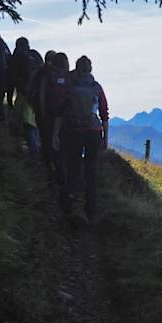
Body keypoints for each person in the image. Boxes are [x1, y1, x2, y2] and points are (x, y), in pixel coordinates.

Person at [53, 55, 109, 220]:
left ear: (76, 68)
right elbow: (104, 114)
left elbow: (60, 112)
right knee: (91, 171)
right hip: (94, 132)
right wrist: (105, 137)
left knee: (73, 169)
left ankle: (69, 206)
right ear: (90, 69)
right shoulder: (97, 87)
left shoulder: (69, 87)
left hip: (74, 131)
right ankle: (90, 209)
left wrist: (55, 135)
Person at [38, 52, 70, 181]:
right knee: (65, 147)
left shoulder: (47, 75)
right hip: (67, 119)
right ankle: (66, 178)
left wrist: (42, 113)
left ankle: (53, 174)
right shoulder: (69, 77)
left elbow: (41, 96)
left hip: (50, 116)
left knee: (51, 146)